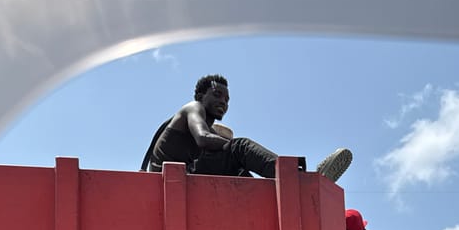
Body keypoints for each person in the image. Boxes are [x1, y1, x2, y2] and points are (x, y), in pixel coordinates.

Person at [141, 74, 352, 182]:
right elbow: (203, 138)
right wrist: (236, 148)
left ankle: (278, 196)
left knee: (237, 166)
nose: (223, 102)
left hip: (182, 176)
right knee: (240, 147)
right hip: (168, 177)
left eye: (227, 99)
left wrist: (237, 158)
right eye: (217, 95)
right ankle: (296, 180)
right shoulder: (193, 108)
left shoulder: (204, 119)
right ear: (199, 96)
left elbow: (214, 144)